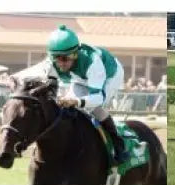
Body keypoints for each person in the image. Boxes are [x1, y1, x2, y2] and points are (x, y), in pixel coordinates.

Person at [40, 24, 128, 163]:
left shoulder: (93, 62)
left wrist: (77, 101)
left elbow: (98, 98)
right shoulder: (51, 63)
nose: (61, 63)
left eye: (65, 58)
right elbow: (48, 88)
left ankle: (118, 144)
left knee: (94, 108)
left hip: (110, 74)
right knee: (68, 106)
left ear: (75, 54)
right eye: (57, 58)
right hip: (80, 78)